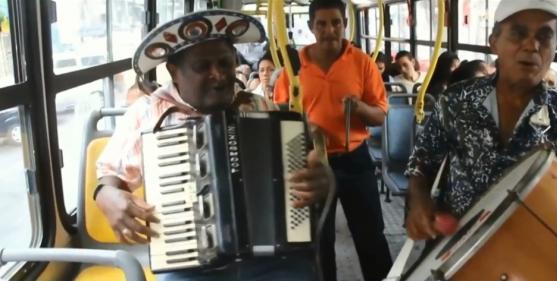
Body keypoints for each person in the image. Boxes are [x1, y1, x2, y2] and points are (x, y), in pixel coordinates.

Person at [95, 9, 332, 281]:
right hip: (190, 266)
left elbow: (309, 175)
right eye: (202, 67)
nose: (218, 76)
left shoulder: (257, 105)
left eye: (225, 63)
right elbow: (109, 176)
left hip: (272, 259)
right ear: (174, 71)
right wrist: (106, 196)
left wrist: (321, 180)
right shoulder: (147, 114)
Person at [405, 0, 557, 241]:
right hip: (456, 254)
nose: (532, 45)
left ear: (555, 46)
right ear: (493, 42)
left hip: (544, 261)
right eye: (519, 34)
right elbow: (422, 159)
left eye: (545, 36)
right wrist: (419, 198)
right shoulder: (457, 102)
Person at [273, 0, 392, 280]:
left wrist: (361, 108)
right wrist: (306, 129)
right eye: (322, 24)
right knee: (318, 243)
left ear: (345, 24)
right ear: (311, 27)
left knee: (371, 236)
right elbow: (279, 118)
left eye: (336, 22)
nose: (330, 30)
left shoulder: (362, 62)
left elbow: (380, 115)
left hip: (354, 160)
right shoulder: (293, 67)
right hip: (311, 162)